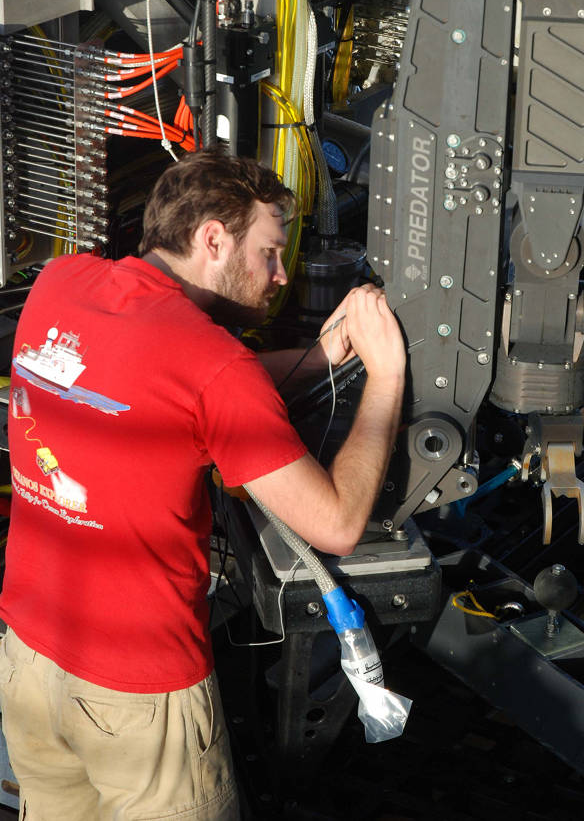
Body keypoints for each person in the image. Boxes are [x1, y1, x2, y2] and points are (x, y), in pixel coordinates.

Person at [0, 149, 406, 821]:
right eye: (270, 252)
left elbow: (169, 389)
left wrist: (319, 359)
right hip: (140, 703)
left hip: (27, 664)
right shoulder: (212, 364)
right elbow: (334, 522)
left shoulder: (62, 283)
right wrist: (385, 377)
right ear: (213, 238)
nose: (281, 275)